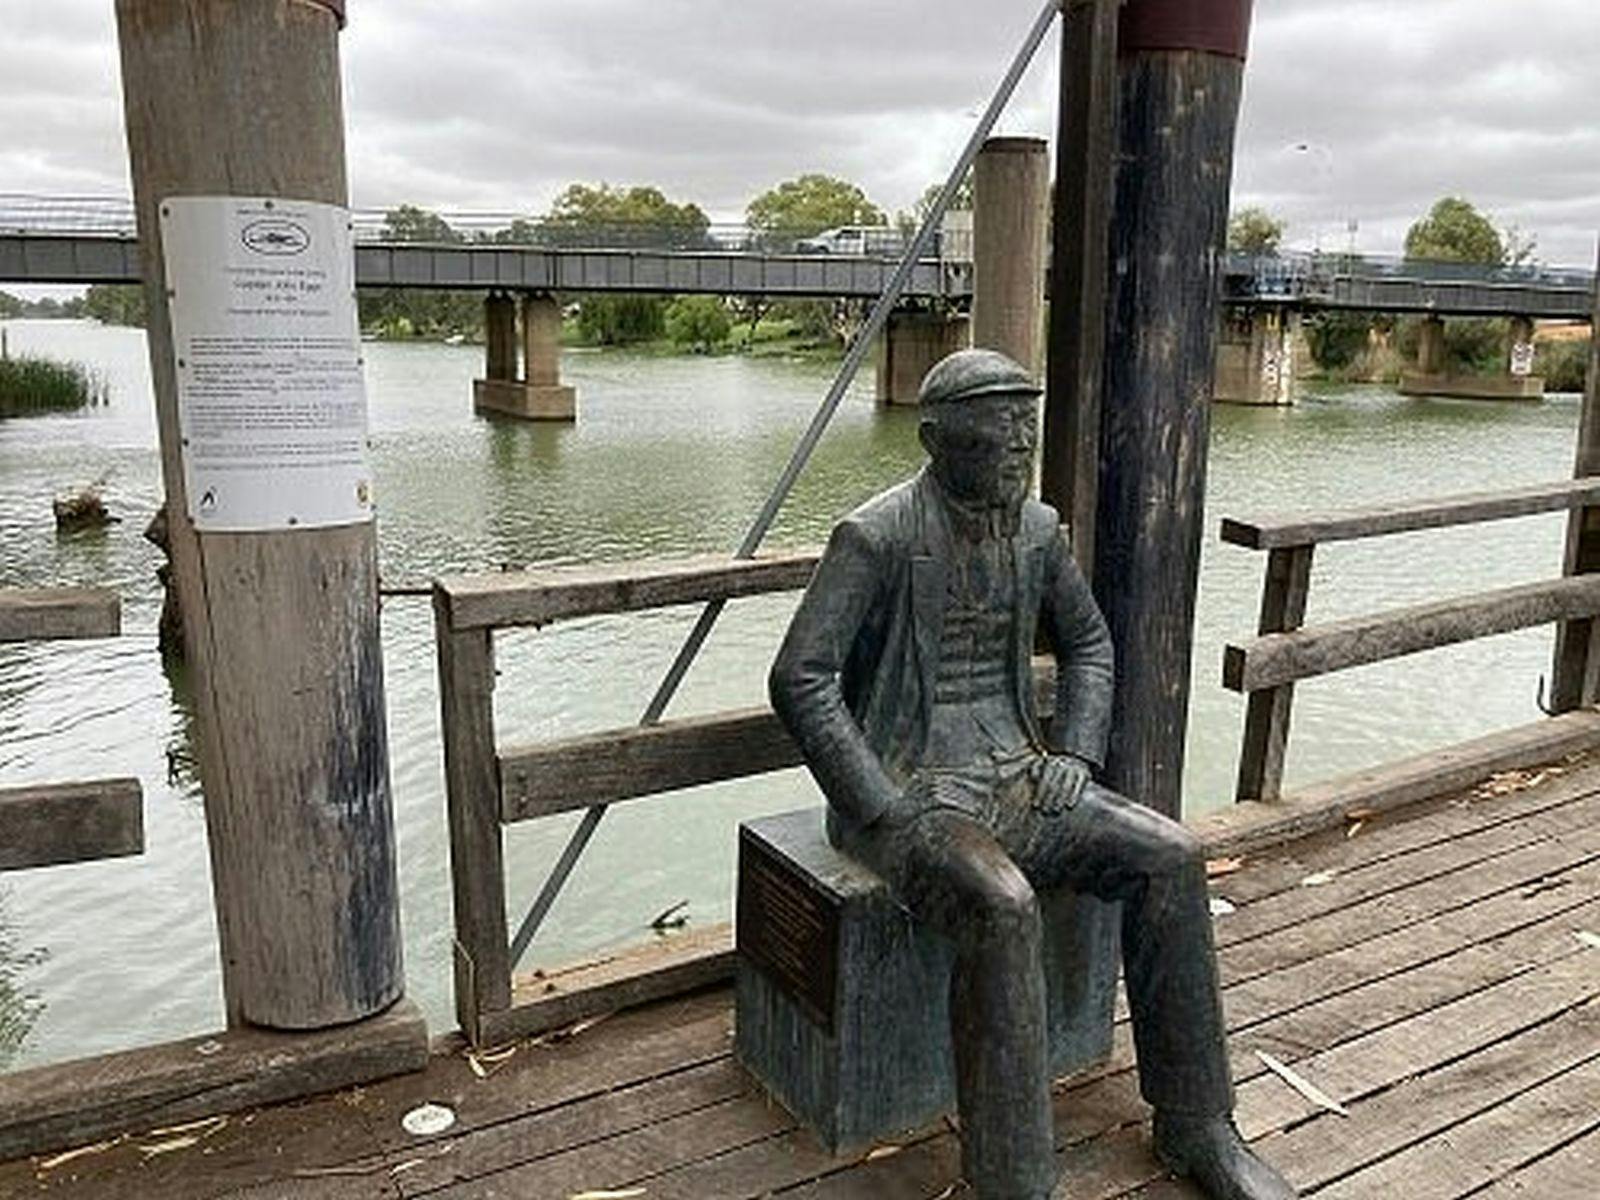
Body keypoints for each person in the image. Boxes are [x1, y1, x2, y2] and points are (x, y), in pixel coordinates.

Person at [769, 349, 1294, 1200]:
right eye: (999, 435)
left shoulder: (1039, 531)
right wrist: (879, 802)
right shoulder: (877, 535)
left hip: (1021, 769)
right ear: (937, 440)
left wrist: (1077, 754)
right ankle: (1013, 1182)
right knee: (1002, 903)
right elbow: (801, 677)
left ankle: (1199, 1125)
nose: (1020, 449)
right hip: (914, 793)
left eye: (1027, 433)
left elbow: (1089, 643)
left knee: (1171, 854)